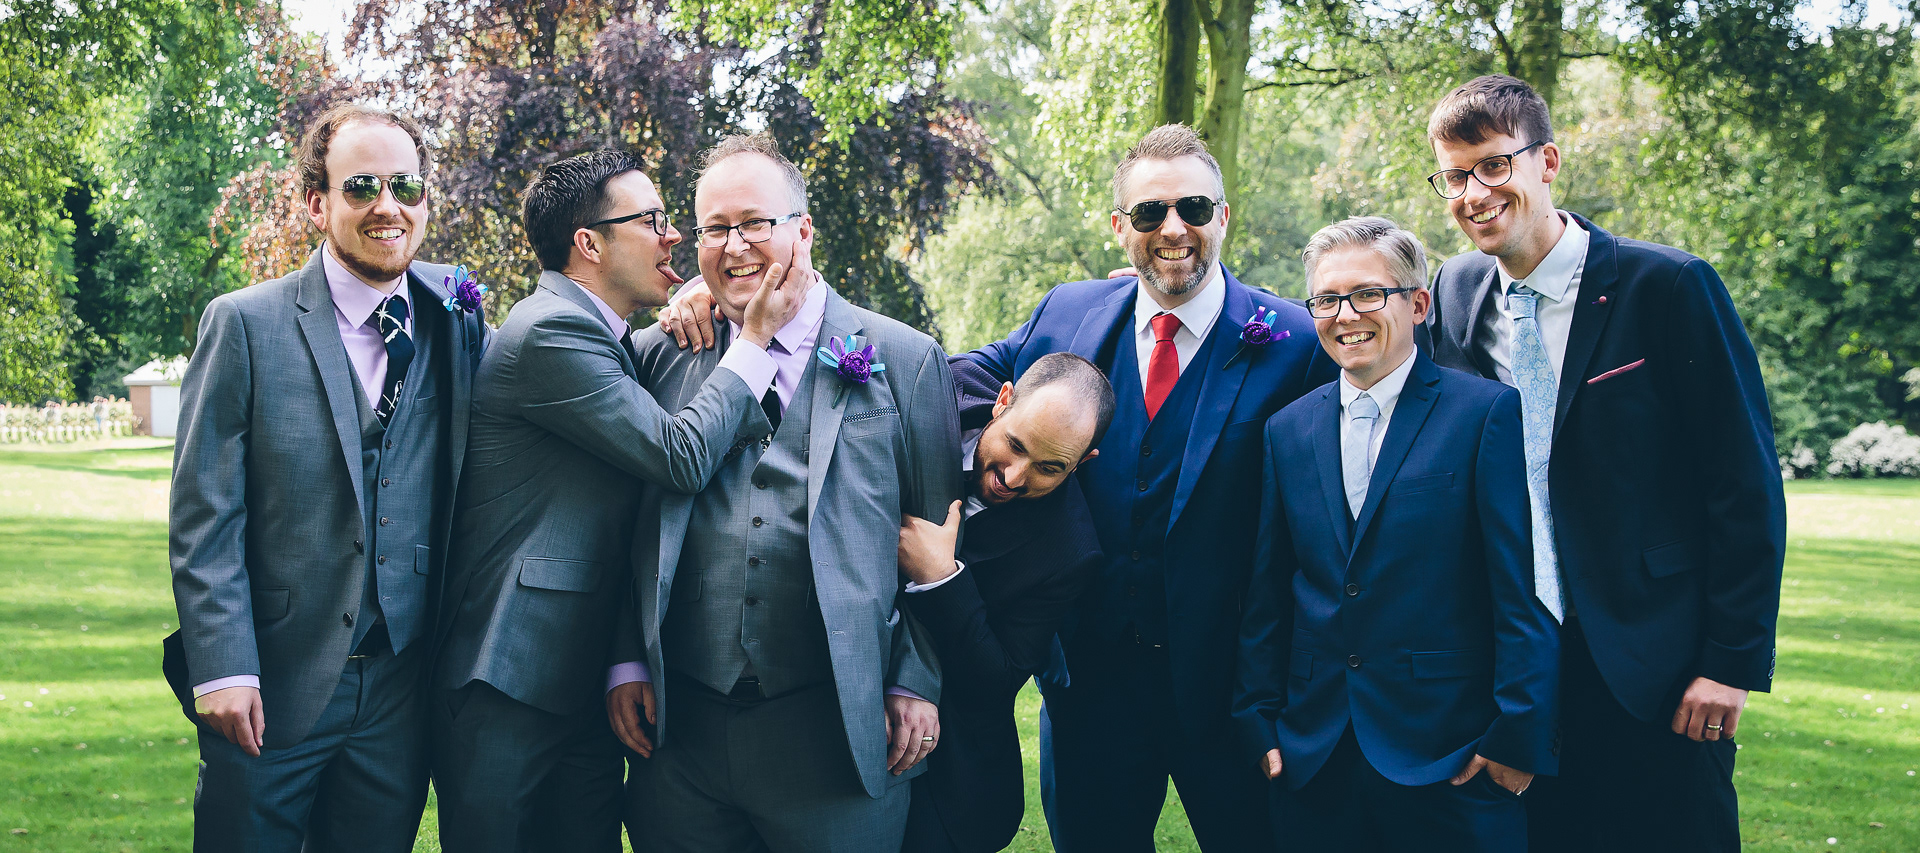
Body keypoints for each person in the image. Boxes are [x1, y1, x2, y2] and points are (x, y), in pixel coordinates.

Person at [1420, 75, 1786, 851]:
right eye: (1453, 176)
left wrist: (1730, 662)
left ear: (1546, 161)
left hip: (1653, 659)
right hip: (1514, 665)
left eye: (1492, 165)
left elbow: (1743, 480)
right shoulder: (1453, 291)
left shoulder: (1670, 286)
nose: (1472, 194)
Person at [953, 124, 1334, 853]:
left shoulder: (1295, 341)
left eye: (1193, 207)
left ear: (1223, 216)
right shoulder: (1064, 313)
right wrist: (746, 311)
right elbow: (947, 375)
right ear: (1119, 227)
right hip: (1088, 688)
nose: (1174, 229)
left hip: (1232, 693)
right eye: (1150, 212)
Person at [427, 150, 804, 852]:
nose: (676, 238)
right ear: (590, 244)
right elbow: (680, 455)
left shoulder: (603, 336)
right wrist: (750, 337)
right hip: (506, 674)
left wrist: (701, 299)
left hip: (584, 678)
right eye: (655, 220)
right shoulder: (549, 330)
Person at [604, 133, 959, 852]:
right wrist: (627, 658)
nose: (734, 247)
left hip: (837, 734)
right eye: (714, 228)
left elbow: (937, 533)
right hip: (684, 743)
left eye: (754, 223)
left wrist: (917, 678)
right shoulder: (657, 357)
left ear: (803, 229)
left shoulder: (907, 359)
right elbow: (620, 526)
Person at [167, 104, 489, 852]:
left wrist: (684, 308)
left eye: (407, 186)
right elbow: (204, 514)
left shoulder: (456, 319)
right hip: (270, 685)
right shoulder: (243, 325)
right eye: (362, 186)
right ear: (316, 203)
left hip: (402, 694)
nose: (389, 206)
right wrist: (221, 667)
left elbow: (560, 364)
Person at [1233, 217, 1560, 852]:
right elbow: (1269, 592)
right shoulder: (1286, 430)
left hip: (1451, 754)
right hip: (1313, 754)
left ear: (1417, 304)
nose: (1344, 314)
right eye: (1326, 299)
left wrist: (1516, 736)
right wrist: (1258, 721)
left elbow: (1520, 586)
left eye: (1366, 293)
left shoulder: (1484, 413)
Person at [897, 353, 1111, 853]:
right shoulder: (940, 386)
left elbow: (997, 678)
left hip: (944, 777)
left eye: (1049, 468)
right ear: (1003, 400)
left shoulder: (1071, 552)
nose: (1014, 478)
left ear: (1082, 465)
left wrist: (943, 580)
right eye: (1015, 446)